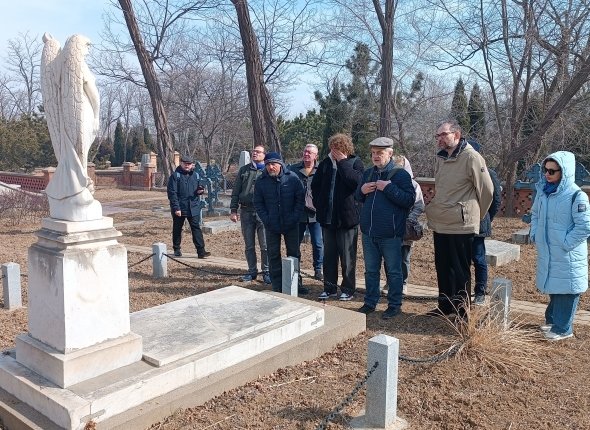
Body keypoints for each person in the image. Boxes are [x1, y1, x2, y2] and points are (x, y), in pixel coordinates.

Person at [424, 120, 493, 317]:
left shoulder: (472, 157)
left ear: (456, 134)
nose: (439, 139)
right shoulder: (440, 158)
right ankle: (445, 306)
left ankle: (462, 311)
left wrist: (474, 215)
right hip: (441, 222)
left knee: (460, 270)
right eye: (437, 136)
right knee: (443, 267)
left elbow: (487, 190)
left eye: (443, 134)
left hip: (461, 225)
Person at [41, 33, 102, 221]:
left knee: (70, 153)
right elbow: (93, 93)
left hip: (65, 118)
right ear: (78, 47)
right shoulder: (78, 64)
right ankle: (79, 190)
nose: (88, 51)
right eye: (87, 47)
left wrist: (49, 43)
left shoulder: (57, 66)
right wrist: (97, 115)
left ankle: (71, 191)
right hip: (81, 112)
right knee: (79, 152)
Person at [530, 151, 590, 341]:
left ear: (564, 172)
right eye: (545, 170)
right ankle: (553, 321)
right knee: (555, 285)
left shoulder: (577, 196)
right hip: (550, 250)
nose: (547, 174)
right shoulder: (544, 192)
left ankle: (563, 329)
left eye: (552, 171)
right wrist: (535, 234)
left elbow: (584, 226)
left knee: (567, 290)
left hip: (567, 253)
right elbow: (535, 214)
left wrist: (565, 243)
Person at [355, 137, 415, 318]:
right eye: (373, 153)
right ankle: (370, 302)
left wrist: (388, 188)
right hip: (369, 232)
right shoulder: (368, 173)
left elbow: (409, 200)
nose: (375, 156)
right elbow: (358, 197)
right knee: (371, 271)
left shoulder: (400, 175)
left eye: (380, 153)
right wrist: (361, 191)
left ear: (390, 154)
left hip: (390, 234)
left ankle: (394, 305)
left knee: (394, 272)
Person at [311, 134, 364, 301]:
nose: (334, 151)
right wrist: (319, 204)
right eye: (332, 148)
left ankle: (348, 289)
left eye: (338, 148)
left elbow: (355, 182)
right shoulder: (325, 163)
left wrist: (342, 162)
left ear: (345, 149)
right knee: (329, 256)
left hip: (347, 219)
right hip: (327, 218)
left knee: (347, 258)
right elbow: (315, 186)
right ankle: (329, 288)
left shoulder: (355, 162)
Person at [253, 152, 307, 294]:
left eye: (273, 164)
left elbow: (300, 200)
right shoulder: (261, 181)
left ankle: (296, 283)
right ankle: (277, 285)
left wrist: (294, 217)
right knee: (273, 254)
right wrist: (267, 219)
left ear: (280, 164)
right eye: (268, 164)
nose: (271, 167)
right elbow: (258, 203)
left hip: (291, 223)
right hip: (271, 224)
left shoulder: (292, 178)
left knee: (294, 254)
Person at [230, 145, 271, 284]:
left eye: (258, 152)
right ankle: (252, 271)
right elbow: (236, 191)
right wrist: (233, 210)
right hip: (246, 211)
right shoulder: (244, 170)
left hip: (263, 212)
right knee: (249, 245)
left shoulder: (268, 169)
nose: (255, 153)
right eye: (254, 151)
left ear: (264, 155)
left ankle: (266, 272)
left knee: (265, 245)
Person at [468, 140, 502, 305]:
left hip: (479, 222)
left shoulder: (489, 173)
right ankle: (462, 292)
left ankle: (480, 291)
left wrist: (486, 217)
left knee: (478, 259)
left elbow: (495, 200)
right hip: (459, 224)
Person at [288, 144, 324, 281]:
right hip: (298, 213)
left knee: (318, 243)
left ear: (316, 156)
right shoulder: (293, 169)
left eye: (310, 152)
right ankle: (295, 269)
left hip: (316, 213)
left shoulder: (321, 169)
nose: (306, 154)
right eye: (305, 151)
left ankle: (318, 269)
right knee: (295, 243)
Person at [167, 154, 211, 259]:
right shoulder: (175, 176)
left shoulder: (196, 175)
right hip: (180, 207)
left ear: (192, 165)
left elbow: (199, 188)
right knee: (177, 228)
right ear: (181, 163)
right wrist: (176, 208)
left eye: (189, 164)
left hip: (193, 207)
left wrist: (200, 190)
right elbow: (172, 193)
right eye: (185, 163)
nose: (187, 165)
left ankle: (201, 251)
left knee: (196, 228)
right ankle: (176, 249)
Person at [396, 156, 425, 294]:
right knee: (389, 257)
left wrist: (409, 219)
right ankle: (390, 282)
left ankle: (403, 283)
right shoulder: (389, 182)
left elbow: (419, 206)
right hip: (390, 226)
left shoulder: (414, 185)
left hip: (406, 227)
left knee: (404, 257)